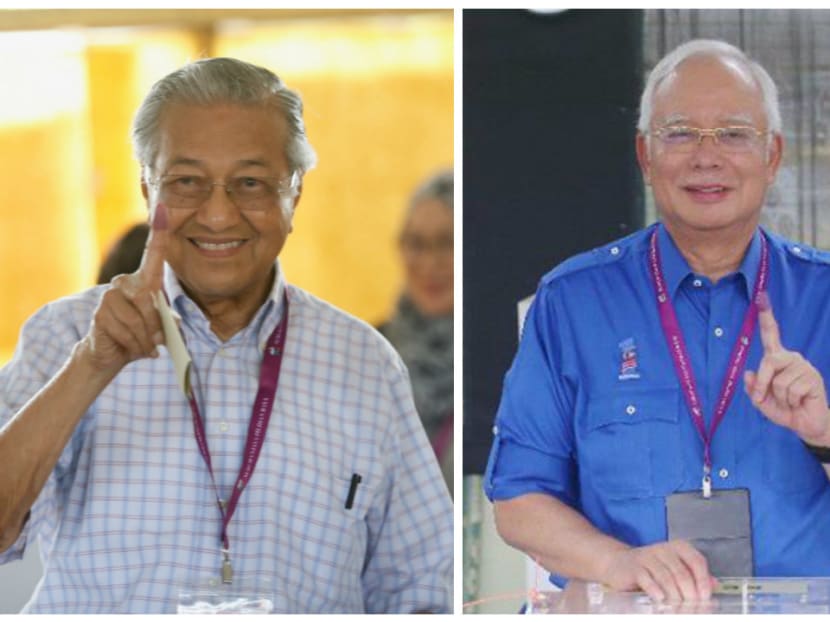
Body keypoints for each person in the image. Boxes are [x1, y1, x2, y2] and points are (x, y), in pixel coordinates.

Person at [0, 57, 452, 614]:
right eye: (187, 182)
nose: (218, 215)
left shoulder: (365, 363)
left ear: (295, 192)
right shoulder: (66, 334)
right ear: (147, 187)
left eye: (251, 184)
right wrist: (90, 367)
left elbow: (422, 586)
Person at [484, 39, 830, 605]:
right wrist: (616, 562)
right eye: (680, 133)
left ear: (773, 157)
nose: (706, 157)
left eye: (735, 134)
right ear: (646, 156)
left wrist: (824, 435)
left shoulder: (824, 296)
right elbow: (519, 500)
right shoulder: (573, 302)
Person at [379, 170, 453, 496]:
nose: (429, 263)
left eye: (446, 244)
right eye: (416, 244)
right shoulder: (367, 350)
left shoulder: (486, 357)